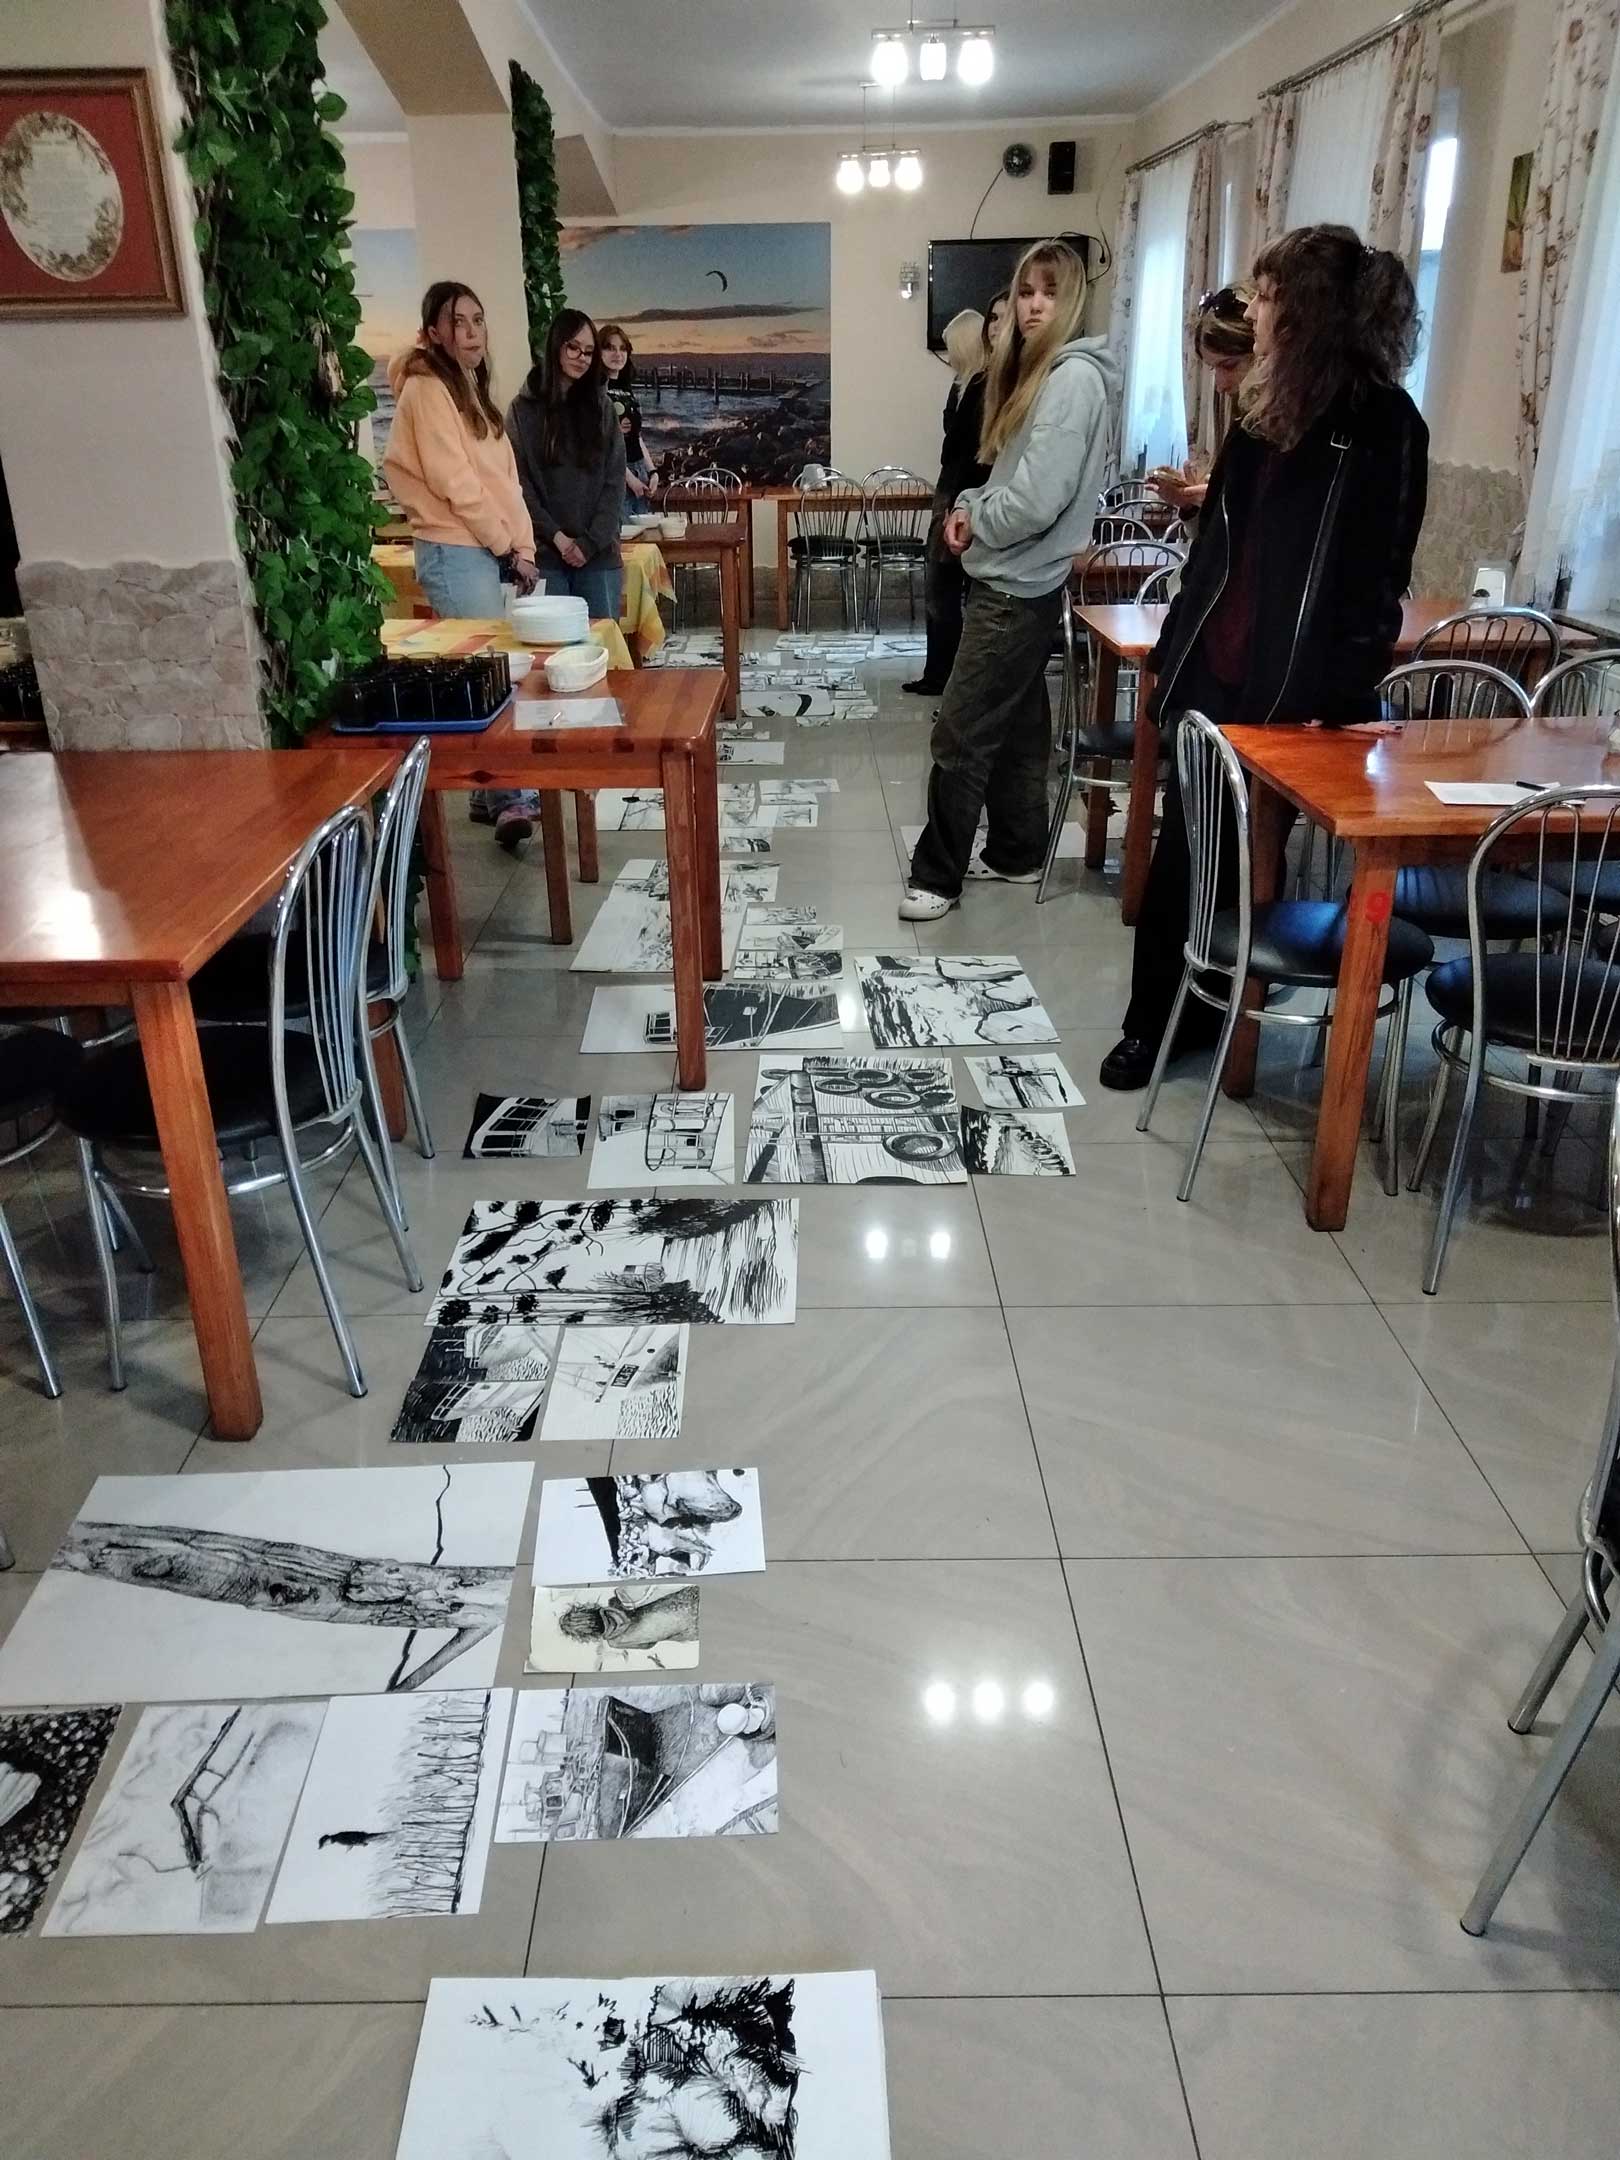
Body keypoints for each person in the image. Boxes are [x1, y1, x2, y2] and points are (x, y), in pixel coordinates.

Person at [1098, 223, 1429, 1091]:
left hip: (1304, 689)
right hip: (1218, 667)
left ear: (1309, 312)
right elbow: (1216, 553)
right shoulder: (1259, 415)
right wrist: (1174, 650)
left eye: (1270, 296)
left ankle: (1231, 1016)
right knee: (1185, 852)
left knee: (1258, 862)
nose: (1257, 311)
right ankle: (1153, 1024)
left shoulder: (1385, 425)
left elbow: (1379, 579)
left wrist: (1344, 691)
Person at [900, 241, 1120, 920]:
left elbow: (1035, 499)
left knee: (960, 733)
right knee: (1022, 732)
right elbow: (1011, 478)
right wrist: (976, 504)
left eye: (1049, 293)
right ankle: (1018, 851)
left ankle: (937, 877)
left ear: (1073, 300)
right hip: (1023, 577)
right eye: (1026, 292)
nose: (1033, 307)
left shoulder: (1071, 380)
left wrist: (974, 515)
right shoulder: (1049, 373)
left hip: (1016, 583)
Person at [383, 281, 541, 851]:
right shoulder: (428, 388)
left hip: (484, 548)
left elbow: (502, 482)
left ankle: (488, 792)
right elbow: (458, 485)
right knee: (487, 675)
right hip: (457, 549)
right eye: (458, 322)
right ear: (433, 332)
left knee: (496, 670)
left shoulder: (467, 387)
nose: (472, 332)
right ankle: (507, 795)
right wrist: (506, 548)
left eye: (478, 320)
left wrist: (522, 547)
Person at [904, 288, 1010, 698]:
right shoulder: (968, 384)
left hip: (964, 495)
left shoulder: (987, 385)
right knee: (942, 589)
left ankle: (944, 676)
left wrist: (959, 505)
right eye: (992, 319)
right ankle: (941, 674)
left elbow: (970, 450)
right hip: (956, 491)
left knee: (944, 589)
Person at [506, 309, 627, 632]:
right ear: (556, 346)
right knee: (550, 650)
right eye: (574, 348)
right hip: (546, 557)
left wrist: (589, 543)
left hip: (598, 557)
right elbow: (518, 485)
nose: (582, 358)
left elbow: (614, 483)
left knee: (602, 647)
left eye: (589, 351)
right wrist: (558, 539)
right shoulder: (522, 410)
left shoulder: (603, 409)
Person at [1143, 285, 1256, 526]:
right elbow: (1213, 542)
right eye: (1214, 369)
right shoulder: (1240, 429)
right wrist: (1189, 504)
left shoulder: (1270, 439)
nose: (1220, 385)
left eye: (1229, 366)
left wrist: (1223, 503)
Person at [600, 323, 658, 517]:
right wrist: (629, 479)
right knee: (623, 533)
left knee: (644, 533)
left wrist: (652, 471)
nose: (618, 354)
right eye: (610, 348)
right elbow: (601, 444)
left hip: (639, 470)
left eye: (622, 348)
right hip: (615, 476)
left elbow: (636, 436)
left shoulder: (627, 389)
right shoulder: (596, 390)